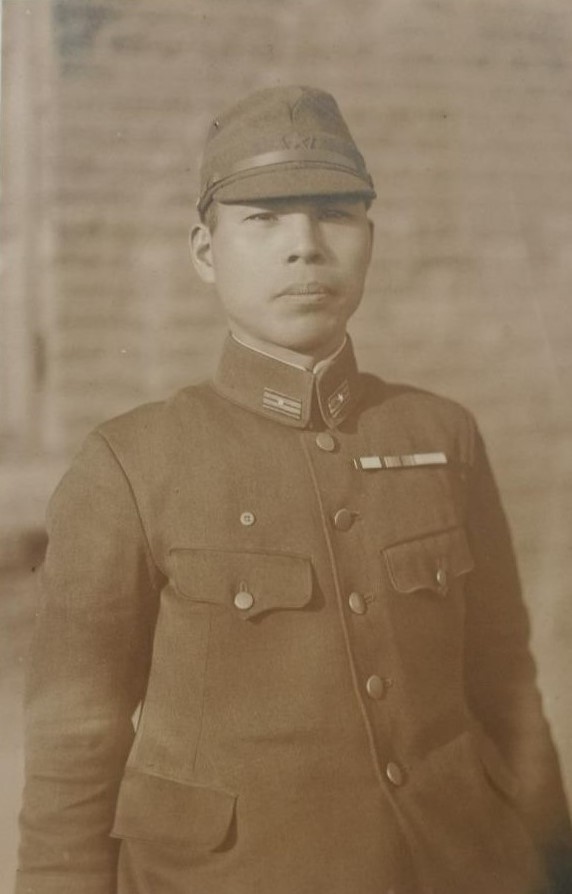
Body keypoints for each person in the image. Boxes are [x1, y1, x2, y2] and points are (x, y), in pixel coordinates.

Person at [16, 85, 572, 894]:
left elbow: (505, 687)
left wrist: (555, 866)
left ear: (371, 240)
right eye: (265, 219)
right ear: (205, 252)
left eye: (335, 215)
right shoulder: (130, 465)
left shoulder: (442, 435)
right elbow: (76, 738)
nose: (305, 247)